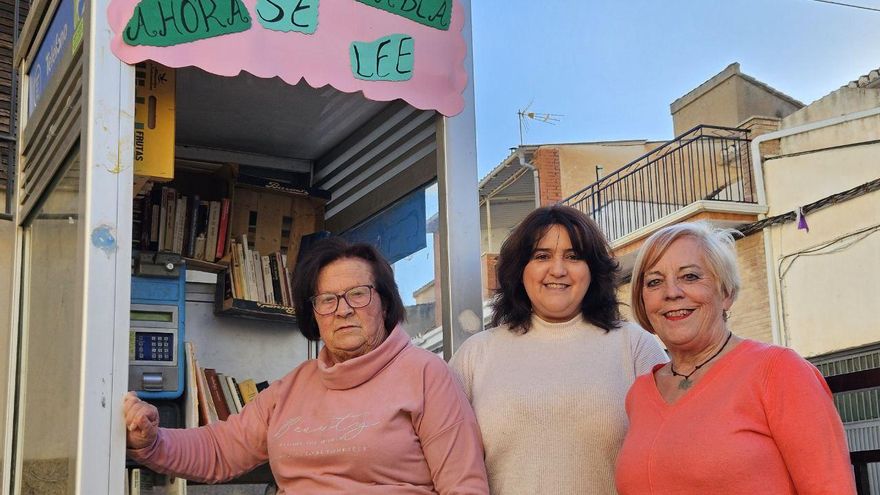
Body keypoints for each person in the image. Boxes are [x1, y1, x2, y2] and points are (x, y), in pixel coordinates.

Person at [125, 238, 489, 494]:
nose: (343, 310)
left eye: (358, 294)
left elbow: (464, 486)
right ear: (314, 314)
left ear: (385, 302)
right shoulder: (293, 387)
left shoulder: (426, 375)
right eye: (327, 300)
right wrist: (152, 441)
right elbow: (220, 450)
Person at [614, 221, 856, 494]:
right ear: (643, 301)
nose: (671, 292)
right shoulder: (640, 393)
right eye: (654, 282)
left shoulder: (779, 371)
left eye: (690, 276)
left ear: (726, 293)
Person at [450, 205, 667, 495]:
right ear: (520, 269)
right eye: (542, 256)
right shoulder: (475, 356)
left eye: (573, 256)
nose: (558, 270)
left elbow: (670, 455)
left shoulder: (635, 346)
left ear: (592, 270)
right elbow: (446, 464)